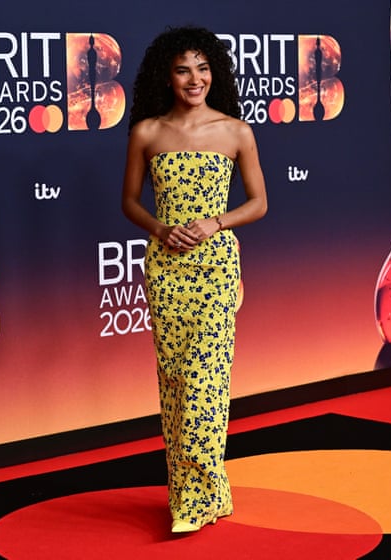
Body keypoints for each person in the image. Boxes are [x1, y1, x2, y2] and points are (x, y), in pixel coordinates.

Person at [121, 25, 267, 534]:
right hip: (166, 269)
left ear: (214, 74)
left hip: (216, 267)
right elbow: (129, 203)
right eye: (183, 69)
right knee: (177, 381)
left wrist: (215, 223)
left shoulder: (236, 131)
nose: (194, 78)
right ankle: (206, 489)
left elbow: (259, 202)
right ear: (167, 76)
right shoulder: (147, 132)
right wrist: (160, 228)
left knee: (208, 380)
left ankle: (194, 503)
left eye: (203, 69)